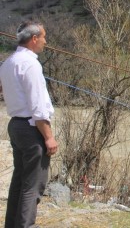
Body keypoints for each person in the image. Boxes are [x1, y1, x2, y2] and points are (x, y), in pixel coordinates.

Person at [0, 21, 58, 228]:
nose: (45, 41)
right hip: (32, 128)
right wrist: (49, 136)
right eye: (43, 37)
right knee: (32, 186)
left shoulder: (8, 63)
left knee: (19, 182)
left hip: (15, 126)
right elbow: (38, 106)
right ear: (34, 39)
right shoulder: (31, 64)